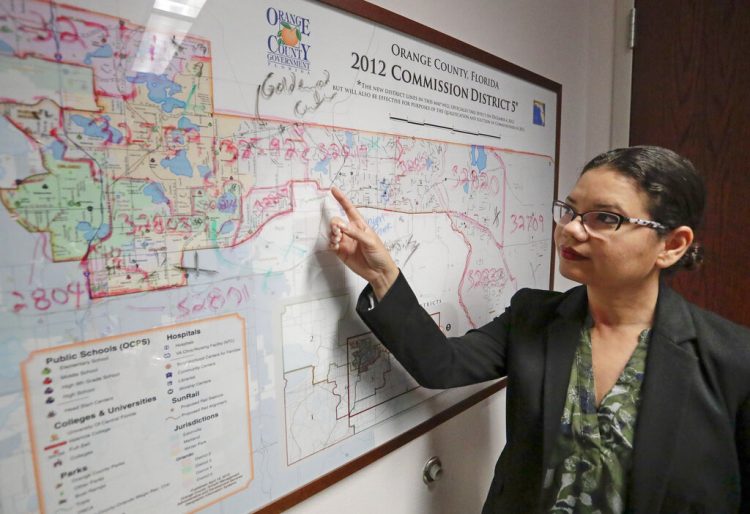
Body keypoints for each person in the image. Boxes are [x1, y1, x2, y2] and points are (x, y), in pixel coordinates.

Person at [327, 146, 750, 514]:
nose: (569, 228)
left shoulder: (731, 360)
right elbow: (443, 365)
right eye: (570, 210)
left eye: (605, 218)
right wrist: (383, 276)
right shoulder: (534, 317)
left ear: (672, 245)